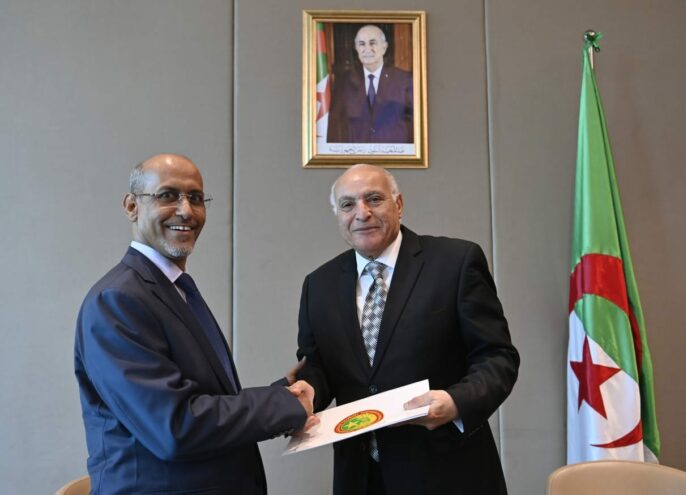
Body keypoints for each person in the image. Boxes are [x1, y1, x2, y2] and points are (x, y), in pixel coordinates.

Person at [74, 153, 316, 494]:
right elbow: (175, 427)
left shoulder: (174, 289)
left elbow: (202, 398)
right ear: (131, 206)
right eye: (167, 195)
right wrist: (283, 406)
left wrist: (281, 392)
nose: (186, 210)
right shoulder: (117, 300)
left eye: (196, 198)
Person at [292, 164, 520, 494]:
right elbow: (318, 367)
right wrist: (308, 391)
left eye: (374, 199)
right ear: (338, 215)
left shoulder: (455, 262)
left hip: (448, 473)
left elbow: (497, 358)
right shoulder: (318, 285)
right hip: (361, 476)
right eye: (348, 204)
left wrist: (456, 402)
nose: (362, 213)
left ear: (398, 204)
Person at [327, 25, 413, 144]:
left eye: (373, 43)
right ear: (356, 48)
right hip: (356, 153)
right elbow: (335, 124)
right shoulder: (344, 82)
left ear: (384, 47)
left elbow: (414, 124)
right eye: (362, 44)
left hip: (394, 153)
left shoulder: (404, 80)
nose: (367, 49)